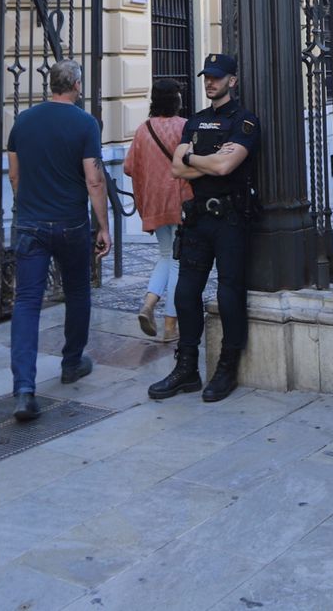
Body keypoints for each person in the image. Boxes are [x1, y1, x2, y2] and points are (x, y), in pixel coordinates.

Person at [146, 53, 257, 405]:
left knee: (228, 294)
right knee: (184, 294)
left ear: (232, 81)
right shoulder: (193, 121)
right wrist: (201, 161)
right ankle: (186, 368)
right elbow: (178, 170)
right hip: (197, 220)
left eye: (217, 77)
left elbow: (226, 167)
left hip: (230, 219)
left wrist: (195, 158)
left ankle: (226, 368)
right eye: (206, 76)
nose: (210, 82)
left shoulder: (245, 120)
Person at [5, 60, 111, 421]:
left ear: (50, 85)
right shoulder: (85, 123)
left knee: (26, 302)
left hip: (31, 223)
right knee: (78, 291)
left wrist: (28, 206)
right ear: (77, 85)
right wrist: (103, 226)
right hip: (70, 222)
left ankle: (23, 388)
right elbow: (94, 180)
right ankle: (71, 362)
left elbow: (14, 175)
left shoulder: (23, 121)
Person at [122, 78, 187, 341]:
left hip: (155, 202)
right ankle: (171, 325)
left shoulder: (142, 130)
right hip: (181, 202)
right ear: (176, 100)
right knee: (178, 262)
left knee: (165, 255)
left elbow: (128, 167)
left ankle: (149, 303)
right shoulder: (183, 127)